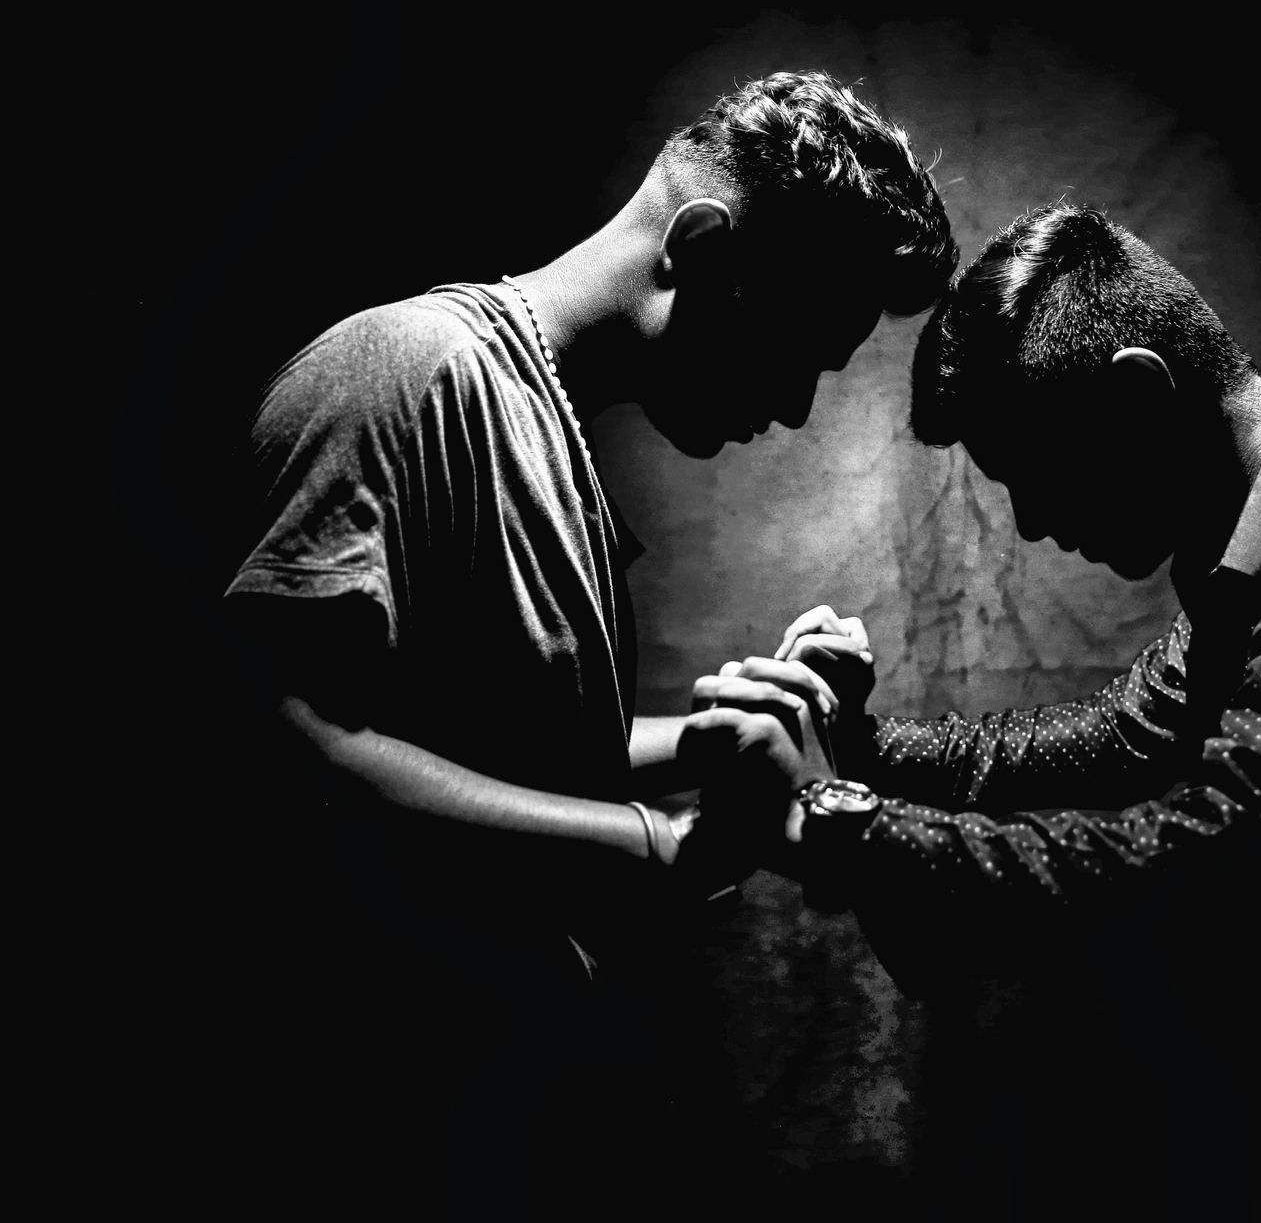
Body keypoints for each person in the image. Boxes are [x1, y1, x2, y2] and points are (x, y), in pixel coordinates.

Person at [220, 70, 956, 1219]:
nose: (803, 407)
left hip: (520, 1102)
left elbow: (513, 742)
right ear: (704, 248)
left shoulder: (549, 425)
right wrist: (658, 845)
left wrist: (716, 741)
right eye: (803, 345)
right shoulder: (404, 372)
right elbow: (293, 740)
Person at [699, 202, 1261, 1217]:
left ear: (1136, 393)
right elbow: (1125, 735)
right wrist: (860, 742)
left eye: (1034, 468)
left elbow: (1208, 856)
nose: (1030, 522)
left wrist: (836, 817)